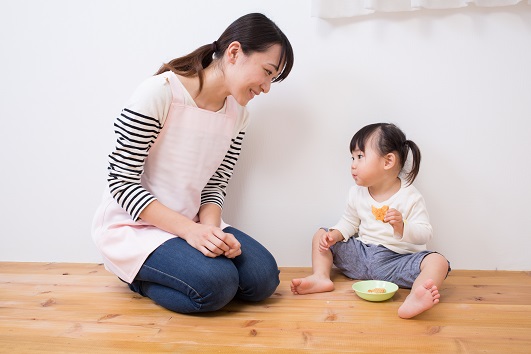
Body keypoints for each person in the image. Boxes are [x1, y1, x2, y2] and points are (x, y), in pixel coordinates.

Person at [91, 13, 294, 314]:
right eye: (266, 72)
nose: (266, 87)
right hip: (136, 225)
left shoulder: (239, 115)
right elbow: (122, 182)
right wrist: (191, 232)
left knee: (263, 279)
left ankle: (190, 268)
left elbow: (215, 184)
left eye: (272, 79)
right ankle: (133, 275)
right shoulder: (160, 93)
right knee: (218, 285)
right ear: (235, 52)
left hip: (193, 223)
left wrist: (212, 234)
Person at [291, 123, 450, 319]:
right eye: (352, 158)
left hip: (396, 261)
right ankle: (320, 277)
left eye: (360, 157)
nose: (353, 164)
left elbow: (425, 233)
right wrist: (335, 234)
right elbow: (349, 222)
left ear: (388, 161)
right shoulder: (357, 193)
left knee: (438, 261)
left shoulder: (410, 196)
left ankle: (416, 296)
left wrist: (403, 226)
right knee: (321, 234)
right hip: (362, 256)